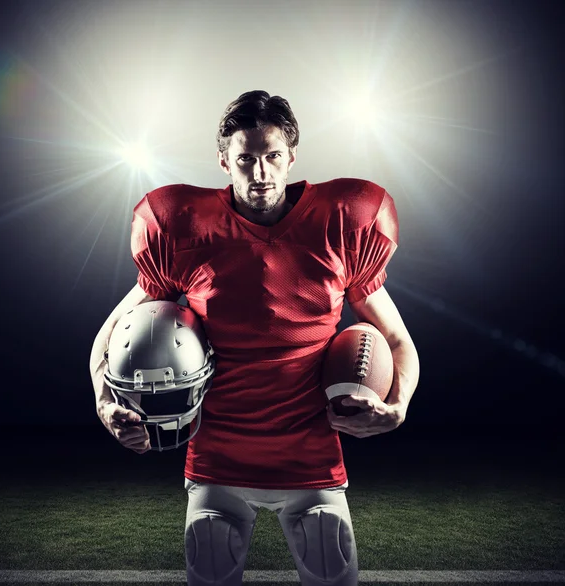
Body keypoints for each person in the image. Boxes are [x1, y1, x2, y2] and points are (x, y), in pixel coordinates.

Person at [89, 90, 420, 586]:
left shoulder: (340, 226)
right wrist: (103, 403)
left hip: (311, 455)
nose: (260, 172)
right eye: (246, 158)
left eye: (271, 157)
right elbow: (109, 332)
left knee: (332, 569)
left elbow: (396, 339)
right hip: (218, 454)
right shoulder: (185, 229)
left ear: (291, 157)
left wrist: (399, 406)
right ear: (224, 160)